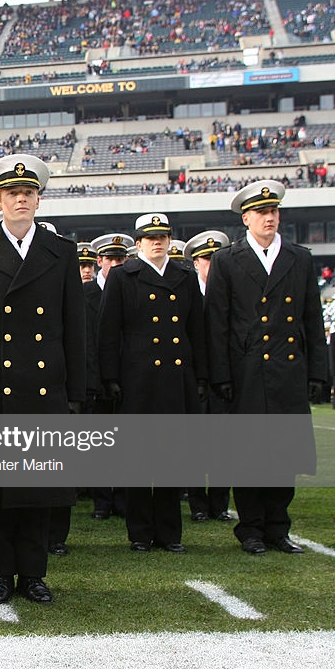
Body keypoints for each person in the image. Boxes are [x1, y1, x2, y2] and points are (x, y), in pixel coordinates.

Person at [0, 154, 85, 605]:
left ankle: (33, 574)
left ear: (38, 200)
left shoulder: (60, 251)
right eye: (12, 193)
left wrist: (77, 393)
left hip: (46, 384)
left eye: (28, 193)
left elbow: (73, 324)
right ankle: (0, 573)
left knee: (39, 488)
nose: (21, 199)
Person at [205, 179, 326, 555]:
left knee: (284, 455)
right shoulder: (227, 260)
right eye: (261, 213)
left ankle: (278, 528)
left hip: (288, 372)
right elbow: (218, 323)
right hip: (247, 372)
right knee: (249, 455)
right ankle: (251, 528)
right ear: (246, 218)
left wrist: (318, 371)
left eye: (273, 211)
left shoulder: (299, 257)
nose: (269, 218)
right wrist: (221, 375)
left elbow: (311, 318)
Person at [98, 213, 207, 554]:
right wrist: (110, 377)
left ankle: (170, 532)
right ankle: (141, 532)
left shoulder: (184, 277)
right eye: (150, 236)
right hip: (138, 379)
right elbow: (108, 332)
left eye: (163, 235)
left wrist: (201, 376)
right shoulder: (122, 276)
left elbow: (197, 331)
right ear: (139, 242)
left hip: (176, 379)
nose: (157, 241)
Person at [184, 230, 232, 522]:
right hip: (196, 379)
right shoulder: (190, 290)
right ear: (196, 263)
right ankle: (198, 504)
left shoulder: (230, 290)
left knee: (223, 447)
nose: (210, 264)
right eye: (205, 259)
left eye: (215, 258)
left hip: (224, 379)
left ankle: (220, 503)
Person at [87, 233, 130, 520]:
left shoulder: (131, 287)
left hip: (125, 376)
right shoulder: (84, 293)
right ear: (99, 260)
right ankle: (102, 501)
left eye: (120, 258)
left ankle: (124, 500)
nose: (115, 264)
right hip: (95, 378)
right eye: (110, 258)